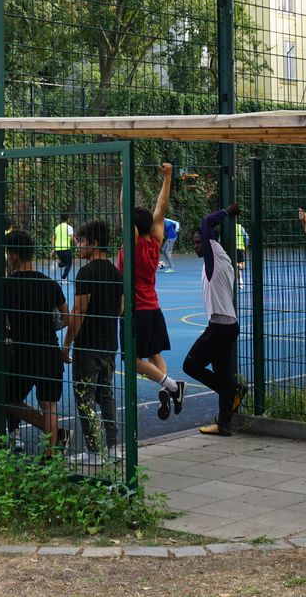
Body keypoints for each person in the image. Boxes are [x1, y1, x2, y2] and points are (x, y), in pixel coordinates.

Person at [118, 162, 184, 419]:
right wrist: (167, 177)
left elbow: (126, 211)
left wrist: (126, 173)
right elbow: (161, 206)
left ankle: (172, 386)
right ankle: (168, 389)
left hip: (137, 309)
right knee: (155, 355)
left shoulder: (133, 244)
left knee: (130, 360)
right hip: (153, 307)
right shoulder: (155, 241)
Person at [3, 229, 70, 451]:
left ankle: (49, 431)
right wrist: (52, 326)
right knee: (49, 404)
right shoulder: (49, 284)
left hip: (24, 352)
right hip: (49, 350)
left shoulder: (7, 285)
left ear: (13, 255)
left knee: (8, 398)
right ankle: (50, 454)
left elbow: (2, 321)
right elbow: (67, 317)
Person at [63, 220, 123, 465]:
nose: (78, 246)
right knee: (106, 395)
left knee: (84, 396)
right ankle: (113, 447)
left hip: (88, 345)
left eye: (81, 241)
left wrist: (66, 344)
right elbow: (120, 308)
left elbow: (79, 310)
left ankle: (93, 451)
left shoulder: (86, 272)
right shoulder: (116, 273)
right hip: (109, 343)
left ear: (94, 243)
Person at [185, 205, 246, 436]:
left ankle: (232, 390)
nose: (196, 246)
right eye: (194, 242)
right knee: (223, 373)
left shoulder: (214, 256)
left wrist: (227, 211)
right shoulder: (219, 259)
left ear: (209, 242)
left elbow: (206, 220)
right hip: (225, 326)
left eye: (199, 242)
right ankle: (224, 424)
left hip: (220, 327)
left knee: (190, 365)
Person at [54, 214, 75, 284]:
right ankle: (63, 279)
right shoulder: (69, 227)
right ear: (68, 219)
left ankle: (57, 264)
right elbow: (72, 238)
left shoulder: (57, 227)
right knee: (69, 263)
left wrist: (53, 248)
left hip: (58, 249)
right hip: (65, 248)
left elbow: (53, 238)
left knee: (64, 262)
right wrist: (77, 243)